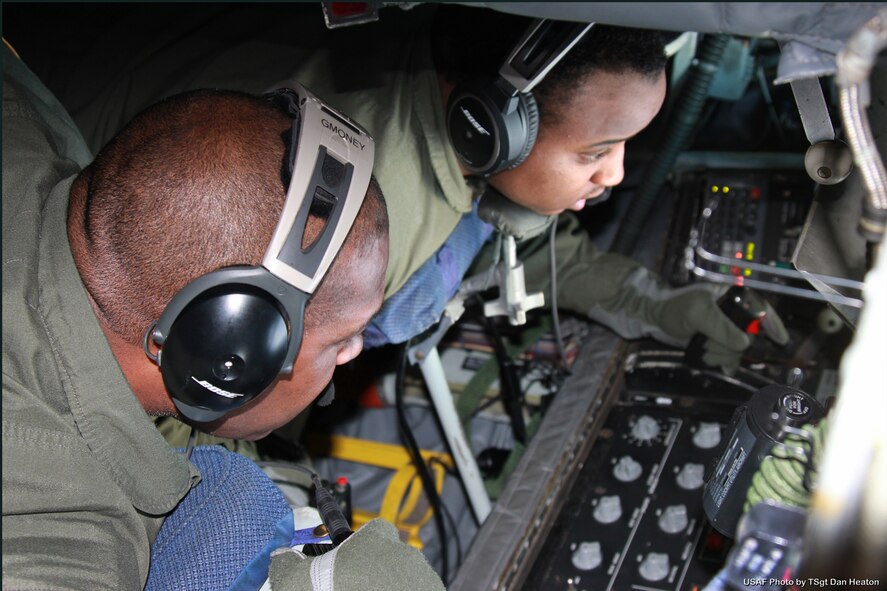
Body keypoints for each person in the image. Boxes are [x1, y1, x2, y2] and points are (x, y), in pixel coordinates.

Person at [2, 43, 444, 590]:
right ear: (229, 350)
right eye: (342, 339)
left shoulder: (22, 115)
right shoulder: (57, 535)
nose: (354, 353)